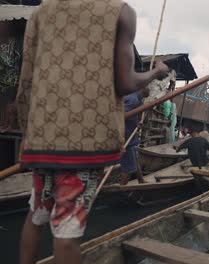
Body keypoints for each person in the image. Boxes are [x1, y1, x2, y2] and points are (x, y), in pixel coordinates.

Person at [15, 1, 169, 263]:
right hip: (82, 142)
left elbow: (26, 81)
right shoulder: (120, 12)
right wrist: (156, 72)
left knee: (37, 214)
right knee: (67, 229)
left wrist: (27, 132)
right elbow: (125, 83)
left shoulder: (41, 12)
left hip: (42, 137)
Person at [120, 87, 150, 185]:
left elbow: (136, 115)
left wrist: (138, 123)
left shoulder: (138, 100)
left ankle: (141, 180)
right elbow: (121, 115)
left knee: (135, 160)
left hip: (131, 137)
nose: (150, 90)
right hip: (127, 138)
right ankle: (121, 188)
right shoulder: (133, 99)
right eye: (149, 87)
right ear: (143, 87)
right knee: (129, 167)